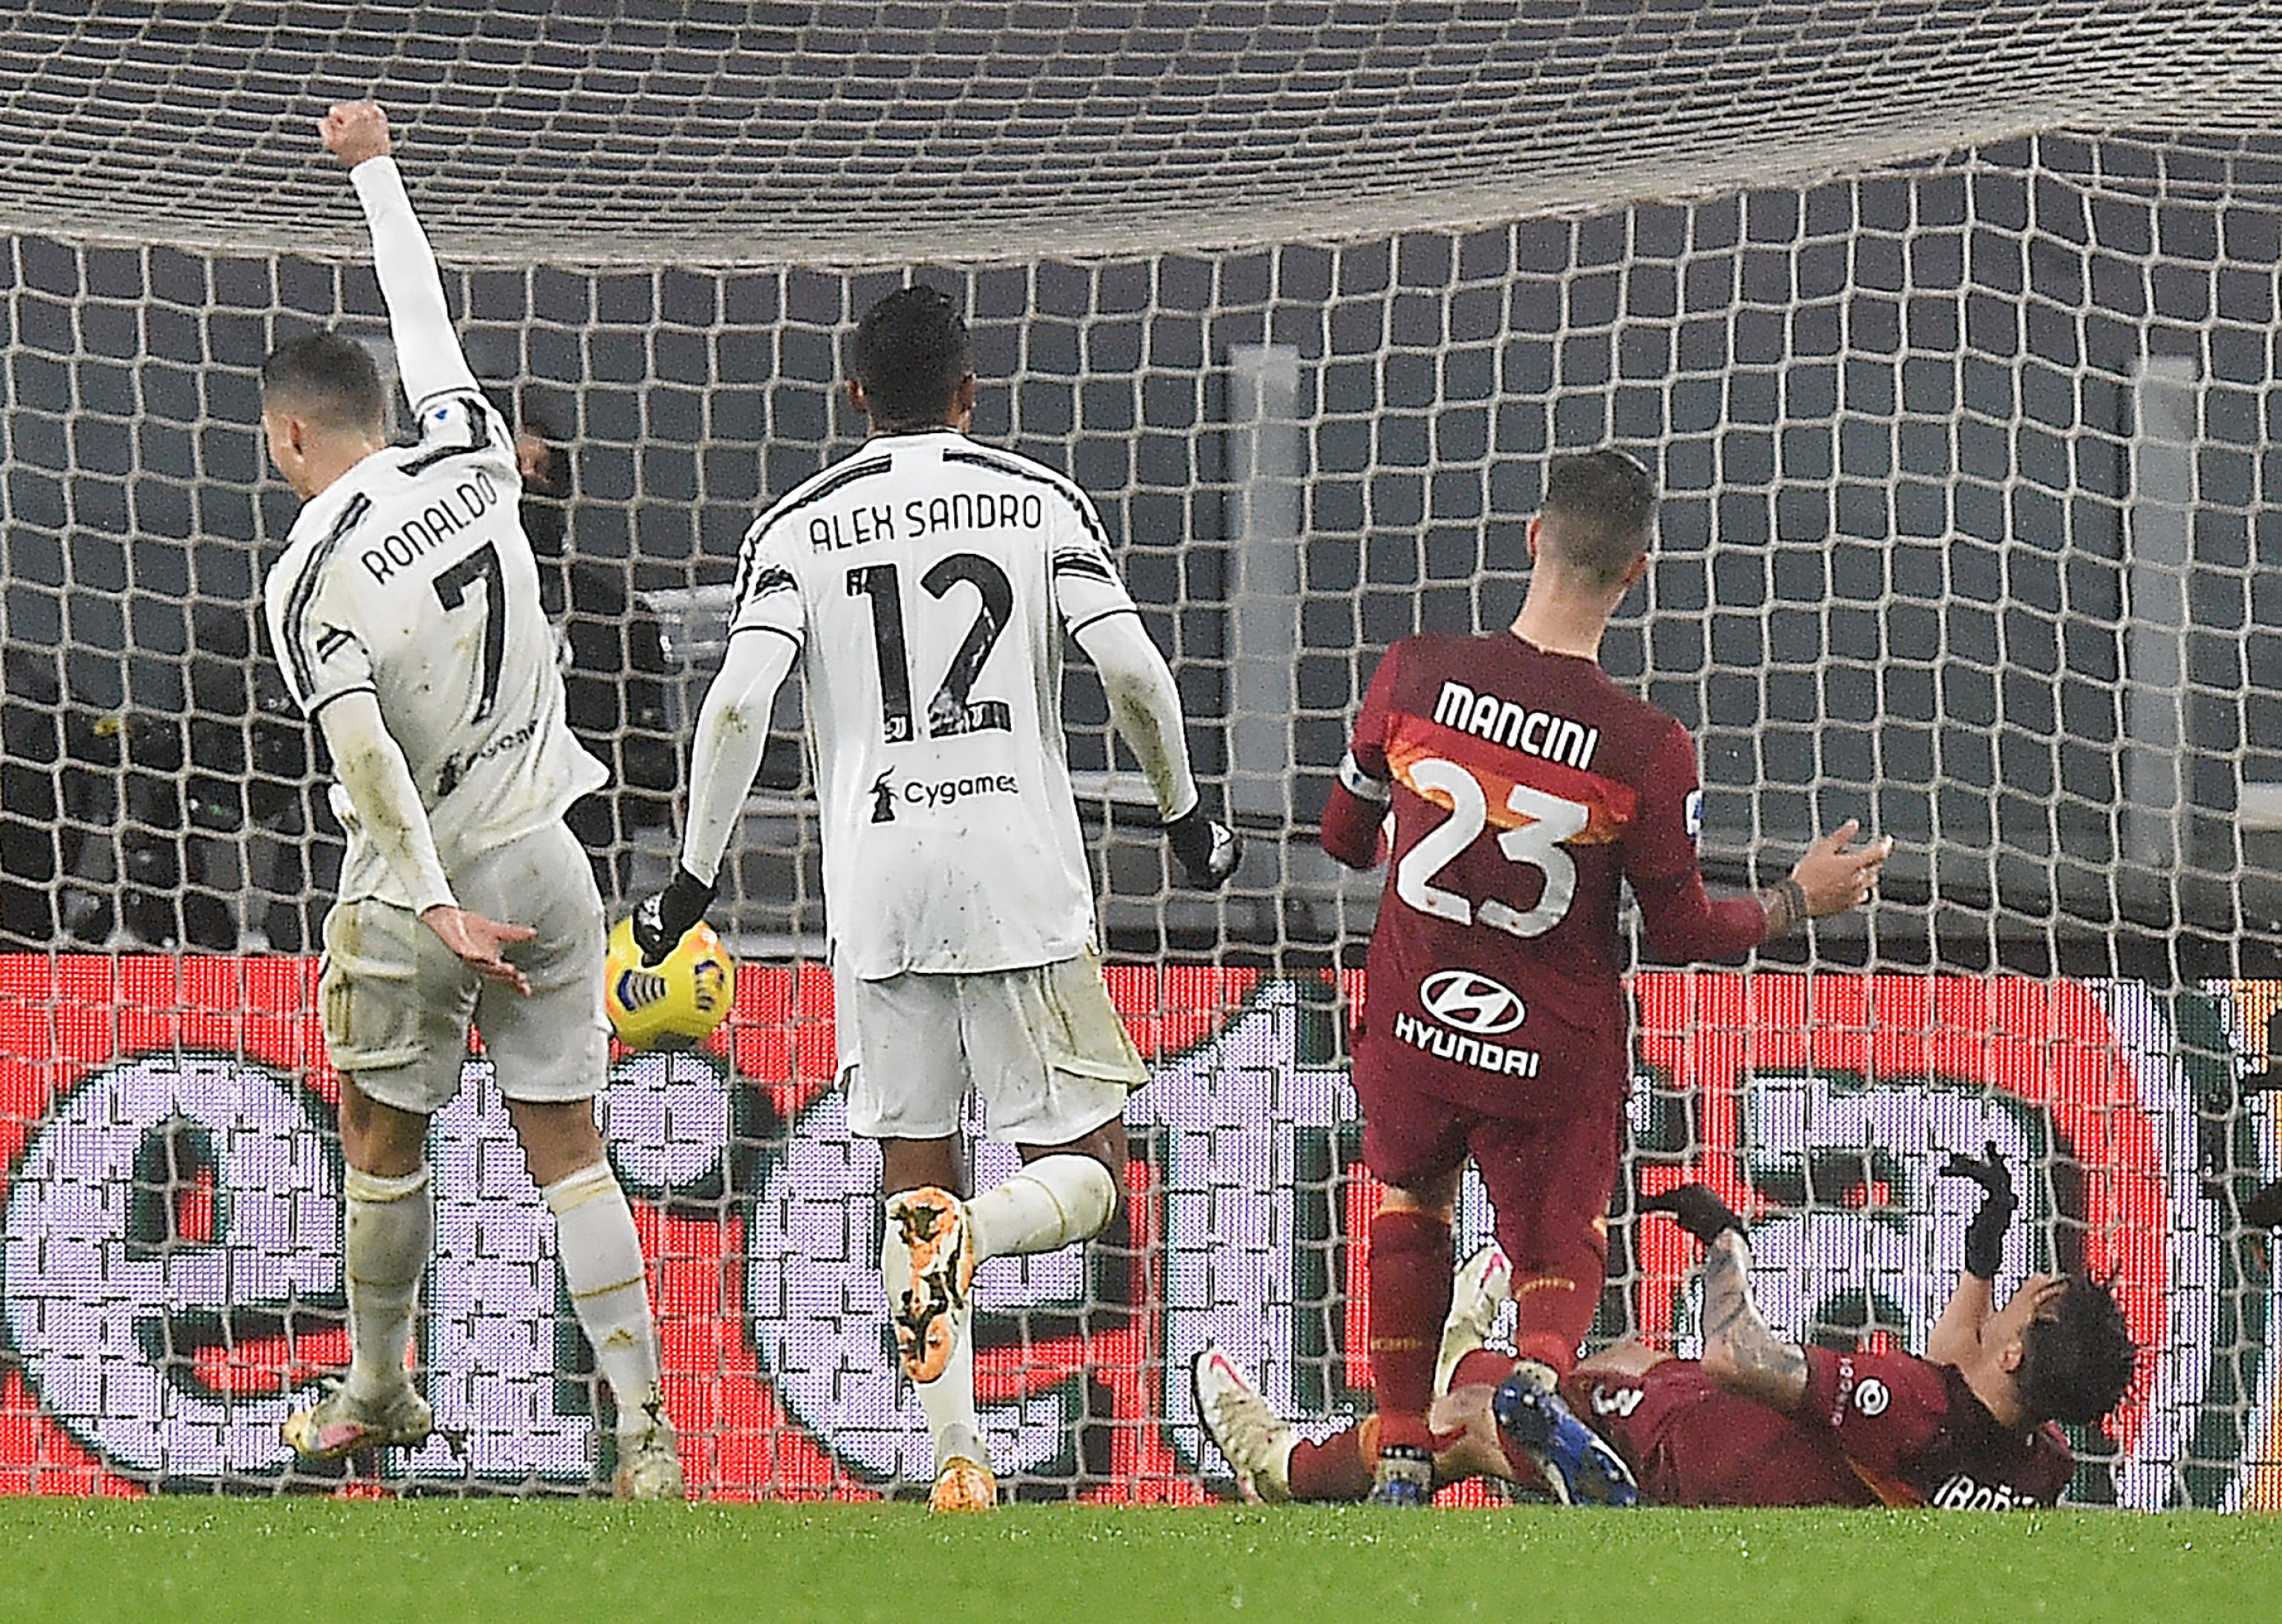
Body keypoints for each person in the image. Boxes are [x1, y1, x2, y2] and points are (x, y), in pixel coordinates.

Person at [631, 284, 1238, 1512]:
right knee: (1087, 1176)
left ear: (855, 396)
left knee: (915, 1180)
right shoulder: (1036, 500)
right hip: (1018, 872)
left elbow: (737, 703)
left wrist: (690, 880)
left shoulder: (799, 526)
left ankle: (958, 1454)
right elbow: (1131, 667)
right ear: (969, 393)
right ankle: (985, 1233)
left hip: (879, 885)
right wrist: (1185, 820)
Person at [1316, 446, 1894, 1504]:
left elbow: (1343, 837)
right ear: (1637, 573)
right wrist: (1794, 900)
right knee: (1559, 1241)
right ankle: (1538, 1373)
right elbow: (1682, 928)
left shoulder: (1411, 675)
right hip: (1546, 1050)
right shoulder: (1645, 747)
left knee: (1412, 1202)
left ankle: (1400, 1444)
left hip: (1412, 1025)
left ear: (1532, 535)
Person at [259, 103, 681, 1499]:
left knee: (381, 1134)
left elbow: (367, 759)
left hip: (424, 888)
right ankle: (646, 1431)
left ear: (290, 436)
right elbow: (421, 306)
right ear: (389, 412)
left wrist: (433, 902)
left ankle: (379, 1387)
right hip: (552, 856)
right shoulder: (473, 450)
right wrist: (377, 170)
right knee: (570, 1149)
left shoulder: (309, 576)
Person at [1194, 1147, 2139, 1508]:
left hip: (1681, 1464)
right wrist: (1981, 1254)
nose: (2016, 1287)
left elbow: (1738, 1353)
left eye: (2024, 1295)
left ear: (2016, 1345)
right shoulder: (2038, 1464)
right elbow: (1950, 1391)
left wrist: (1727, 1243)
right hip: (1732, 1445)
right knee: (1632, 1354)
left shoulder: (1906, 1401)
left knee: (1476, 1420)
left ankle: (1284, 1466)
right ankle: (1463, 1355)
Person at [512, 406, 679, 904]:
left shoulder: (618, 619)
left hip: (587, 861)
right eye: (515, 469)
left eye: (541, 472)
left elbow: (650, 771)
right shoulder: (444, 611)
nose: (528, 486)